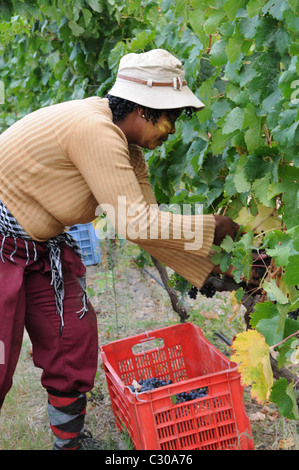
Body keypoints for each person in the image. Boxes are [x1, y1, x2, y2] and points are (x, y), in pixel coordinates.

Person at [0, 49, 239, 450]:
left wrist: (216, 271)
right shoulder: (94, 130)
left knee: (71, 339)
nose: (173, 130)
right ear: (144, 109)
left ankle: (69, 444)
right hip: (4, 243)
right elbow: (137, 223)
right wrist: (214, 227)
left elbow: (143, 226)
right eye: (171, 117)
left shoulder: (129, 150)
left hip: (41, 247)